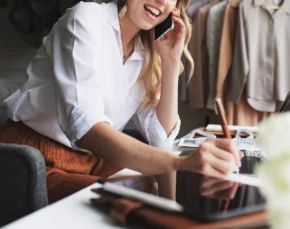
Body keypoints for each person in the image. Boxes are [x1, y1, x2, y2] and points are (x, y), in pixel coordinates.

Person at [0, 0, 242, 203]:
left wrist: (169, 63)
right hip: (33, 158)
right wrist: (180, 163)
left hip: (92, 159)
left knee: (149, 193)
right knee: (130, 202)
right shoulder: (86, 19)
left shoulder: (148, 52)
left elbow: (160, 139)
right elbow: (86, 128)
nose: (161, 1)